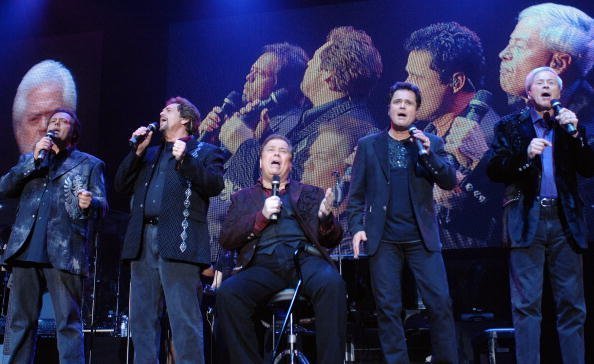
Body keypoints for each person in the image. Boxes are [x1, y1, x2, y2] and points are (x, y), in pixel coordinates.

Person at [487, 67, 594, 364]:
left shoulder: (571, 126)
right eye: (540, 83)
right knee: (526, 305)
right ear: (529, 93)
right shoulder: (510, 126)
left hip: (564, 220)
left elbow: (588, 168)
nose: (546, 87)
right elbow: (494, 169)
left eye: (552, 83)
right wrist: (526, 156)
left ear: (559, 92)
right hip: (527, 218)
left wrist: (577, 136)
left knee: (572, 305)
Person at [347, 82, 458, 364]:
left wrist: (428, 152)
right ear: (389, 108)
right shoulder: (368, 145)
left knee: (440, 304)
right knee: (388, 308)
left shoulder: (431, 142)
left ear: (416, 111)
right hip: (384, 238)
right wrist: (357, 228)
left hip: (422, 237)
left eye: (409, 103)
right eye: (397, 102)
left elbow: (448, 180)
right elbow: (356, 194)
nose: (402, 107)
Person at [216, 134, 346, 364]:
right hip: (263, 265)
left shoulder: (309, 193)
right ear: (261, 160)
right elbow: (227, 238)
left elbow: (333, 239)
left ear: (290, 162)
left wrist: (326, 219)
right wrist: (261, 216)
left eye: (283, 151)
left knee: (332, 283)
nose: (276, 154)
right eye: (270, 150)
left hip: (305, 259)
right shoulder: (243, 198)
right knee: (228, 294)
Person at [114, 97, 224, 363]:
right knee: (142, 322)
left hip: (179, 242)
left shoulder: (204, 152)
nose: (161, 112)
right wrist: (136, 153)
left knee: (184, 320)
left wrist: (186, 160)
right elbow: (120, 186)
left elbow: (214, 185)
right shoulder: (149, 154)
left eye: (168, 110)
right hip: (142, 243)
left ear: (185, 119)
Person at [0, 108, 107, 363]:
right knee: (19, 323)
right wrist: (32, 162)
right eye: (53, 121)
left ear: (74, 131)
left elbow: (102, 207)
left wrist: (90, 203)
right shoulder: (31, 159)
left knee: (68, 324)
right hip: (26, 249)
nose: (56, 125)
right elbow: (5, 188)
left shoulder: (89, 164)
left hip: (65, 251)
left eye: (63, 122)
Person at [199, 43, 309, 273]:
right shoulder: (241, 124)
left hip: (247, 257)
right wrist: (209, 146)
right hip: (211, 252)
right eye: (250, 71)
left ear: (282, 89)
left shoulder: (292, 126)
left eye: (260, 74)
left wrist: (246, 143)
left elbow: (267, 186)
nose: (248, 78)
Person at [499, 3, 594, 239]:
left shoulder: (587, 125)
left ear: (558, 63)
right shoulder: (512, 119)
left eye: (518, 46)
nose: (503, 54)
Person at [404, 21, 499, 248]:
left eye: (417, 77)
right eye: (408, 75)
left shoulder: (488, 136)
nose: (406, 86)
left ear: (456, 82)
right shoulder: (431, 130)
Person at [12, 60, 77, 155]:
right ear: (18, 131)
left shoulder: (89, 168)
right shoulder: (15, 170)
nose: (44, 126)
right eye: (34, 119)